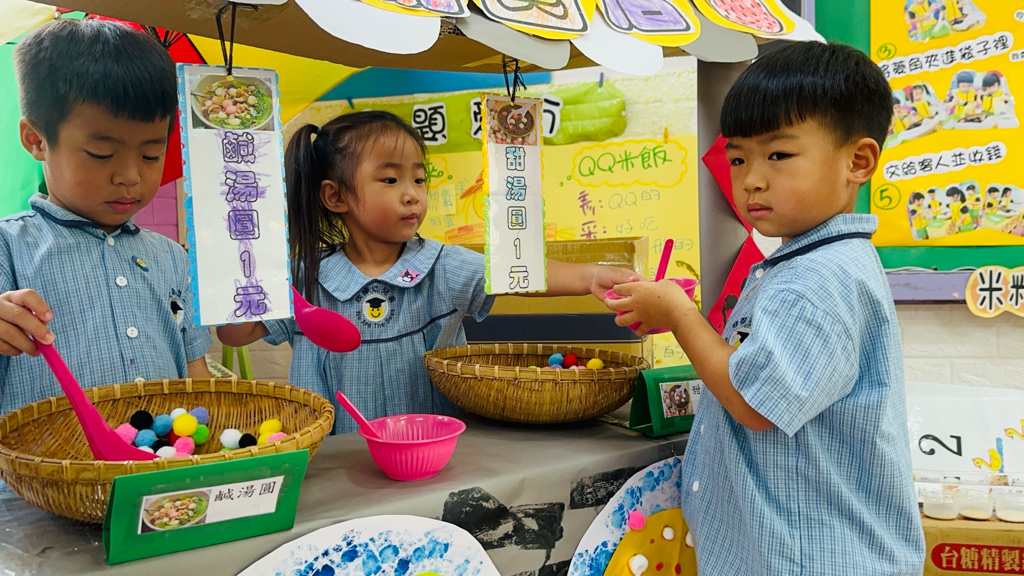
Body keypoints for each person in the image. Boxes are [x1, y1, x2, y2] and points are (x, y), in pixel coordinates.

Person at [606, 41, 925, 574]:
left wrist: (679, 316)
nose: (751, 179)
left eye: (778, 155)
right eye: (738, 158)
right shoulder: (808, 264)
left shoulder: (817, 277)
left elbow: (754, 404)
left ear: (857, 161)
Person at [217, 110, 637, 434]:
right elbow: (234, 334)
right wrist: (243, 263)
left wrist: (588, 276)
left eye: (419, 180)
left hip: (438, 457)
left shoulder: (442, 265)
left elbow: (517, 274)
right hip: (339, 465)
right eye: (390, 179)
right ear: (335, 196)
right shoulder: (304, 278)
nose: (412, 195)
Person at [0, 19, 212, 418]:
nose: (130, 176)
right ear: (36, 140)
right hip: (43, 459)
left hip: (165, 457)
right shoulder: (8, 249)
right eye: (101, 154)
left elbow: (195, 372)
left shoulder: (172, 256)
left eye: (151, 154)